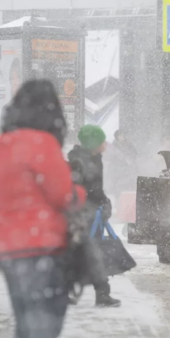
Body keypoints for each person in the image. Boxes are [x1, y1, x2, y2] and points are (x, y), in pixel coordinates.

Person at [0, 80, 87, 338]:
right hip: (40, 248)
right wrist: (81, 193)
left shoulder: (4, 143)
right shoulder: (42, 143)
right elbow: (63, 195)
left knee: (25, 329)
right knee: (44, 329)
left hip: (8, 246)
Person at [68, 124, 122, 308]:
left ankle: (99, 293)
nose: (105, 144)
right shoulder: (79, 162)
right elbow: (80, 189)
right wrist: (96, 203)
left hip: (92, 213)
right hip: (83, 215)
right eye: (101, 141)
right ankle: (100, 293)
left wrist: (104, 201)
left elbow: (95, 189)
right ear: (93, 143)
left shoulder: (94, 158)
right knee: (89, 253)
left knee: (89, 252)